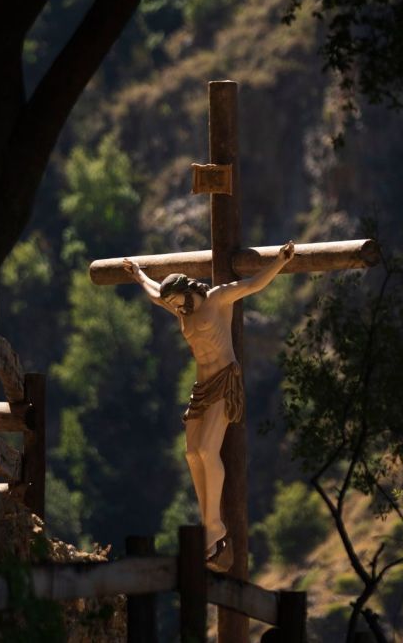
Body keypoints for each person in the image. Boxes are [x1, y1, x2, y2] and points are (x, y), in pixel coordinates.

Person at [121, 241, 295, 571]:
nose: (175, 308)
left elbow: (252, 284)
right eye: (172, 304)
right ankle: (209, 528)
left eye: (177, 301)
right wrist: (138, 273)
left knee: (204, 450)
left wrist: (280, 262)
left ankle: (214, 527)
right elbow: (155, 292)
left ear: (189, 290)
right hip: (201, 388)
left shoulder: (216, 299)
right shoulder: (178, 306)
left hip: (225, 382)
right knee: (190, 454)